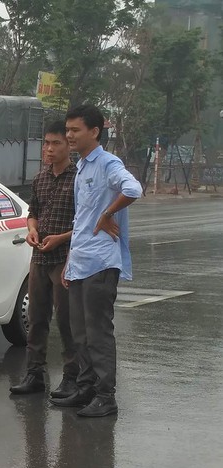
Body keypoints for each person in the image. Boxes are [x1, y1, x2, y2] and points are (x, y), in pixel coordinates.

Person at [50, 105, 142, 417]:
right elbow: (81, 220)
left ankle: (106, 396)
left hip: (102, 264)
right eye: (68, 130)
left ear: (94, 132)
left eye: (75, 130)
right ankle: (86, 387)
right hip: (81, 261)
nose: (69, 135)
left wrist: (108, 213)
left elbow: (133, 189)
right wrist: (69, 261)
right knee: (80, 332)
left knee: (98, 331)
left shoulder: (107, 163)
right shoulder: (83, 168)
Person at [10, 121, 79, 398]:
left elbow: (86, 223)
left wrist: (61, 238)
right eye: (46, 143)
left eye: (56, 143)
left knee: (66, 320)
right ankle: (34, 374)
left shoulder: (78, 178)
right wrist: (32, 230)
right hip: (39, 257)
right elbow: (32, 212)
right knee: (36, 318)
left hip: (66, 258)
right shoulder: (40, 178)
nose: (49, 149)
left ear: (68, 146)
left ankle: (72, 377)